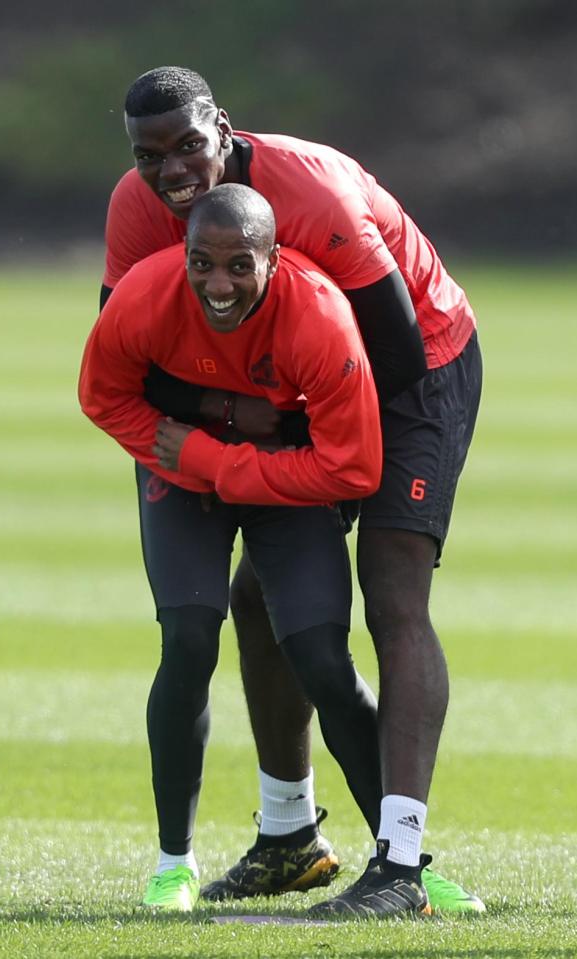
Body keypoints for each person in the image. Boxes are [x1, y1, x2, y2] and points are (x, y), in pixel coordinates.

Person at [99, 66, 484, 917]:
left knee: (390, 597)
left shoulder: (311, 194)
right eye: (148, 155)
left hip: (414, 366)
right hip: (292, 388)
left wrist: (313, 458)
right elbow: (130, 356)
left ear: (223, 129)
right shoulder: (137, 206)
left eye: (188, 146)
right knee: (267, 598)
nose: (170, 172)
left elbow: (393, 347)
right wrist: (228, 411)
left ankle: (401, 863)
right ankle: (288, 838)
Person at [79, 183, 386, 912]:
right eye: (202, 263)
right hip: (181, 474)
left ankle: (401, 857)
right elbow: (103, 395)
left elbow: (353, 467)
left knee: (320, 656)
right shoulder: (145, 294)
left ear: (273, 259)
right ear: (182, 255)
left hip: (276, 479)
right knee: (187, 638)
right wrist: (199, 443)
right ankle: (172, 864)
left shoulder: (319, 319)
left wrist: (217, 459)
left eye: (239, 265)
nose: (219, 284)